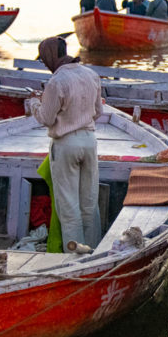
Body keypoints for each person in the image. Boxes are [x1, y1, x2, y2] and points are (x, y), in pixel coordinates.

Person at [25, 36, 104, 252]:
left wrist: (34, 102)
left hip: (65, 144)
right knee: (89, 203)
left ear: (50, 57)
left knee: (69, 207)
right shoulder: (91, 75)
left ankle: (74, 257)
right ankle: (93, 251)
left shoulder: (56, 82)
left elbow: (46, 118)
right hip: (89, 141)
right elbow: (99, 112)